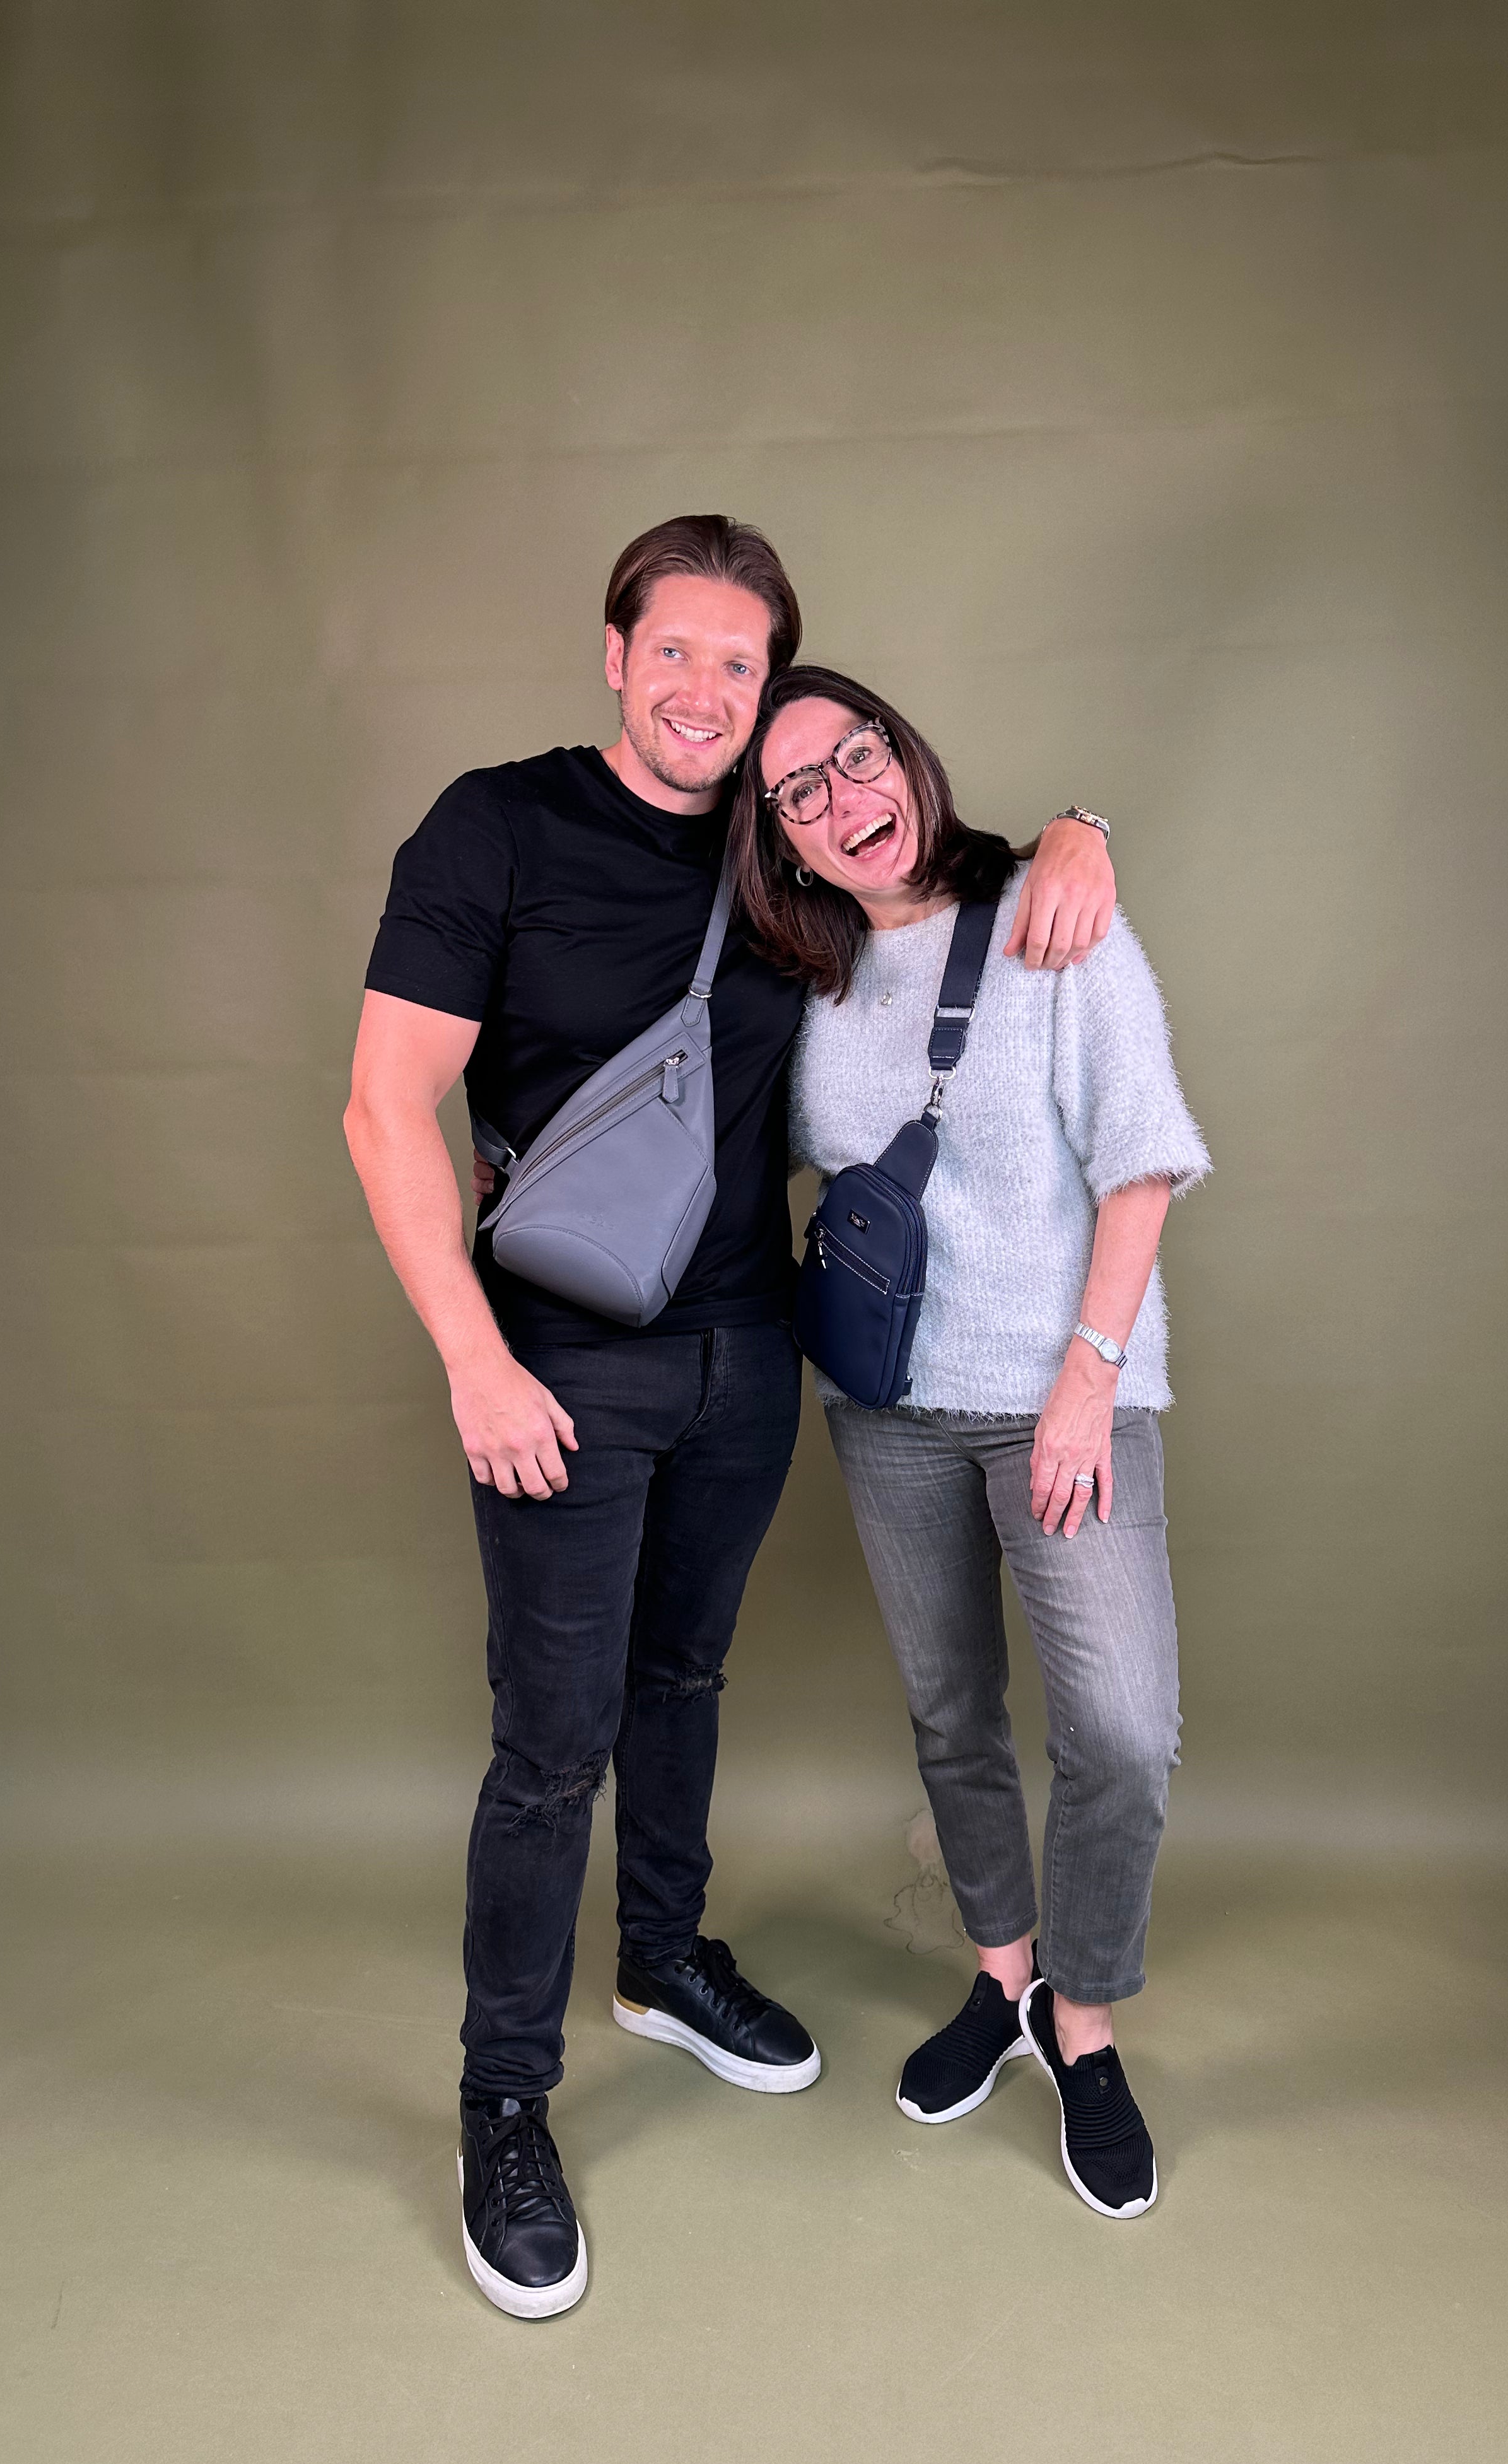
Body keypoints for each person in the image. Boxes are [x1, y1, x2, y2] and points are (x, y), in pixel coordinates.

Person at [342, 517, 1119, 2316]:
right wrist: (473, 1360)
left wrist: (1086, 827)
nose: (705, 688)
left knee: (684, 1680)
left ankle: (663, 1959)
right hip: (557, 1367)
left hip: (748, 1354)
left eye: (741, 663)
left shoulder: (789, 853)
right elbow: (387, 1107)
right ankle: (501, 2103)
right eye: (675, 650)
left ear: (773, 690)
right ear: (617, 655)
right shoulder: (495, 828)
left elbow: (957, 882)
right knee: (551, 1747)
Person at [731, 663, 1210, 2221]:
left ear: (906, 757)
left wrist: (1086, 1380)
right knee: (953, 1714)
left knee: (1121, 1731)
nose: (843, 800)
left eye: (857, 756)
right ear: (782, 839)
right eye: (799, 793)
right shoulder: (804, 983)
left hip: (1067, 1393)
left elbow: (1142, 1162)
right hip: (889, 1412)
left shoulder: (1053, 918)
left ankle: (1085, 2025)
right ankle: (1003, 1981)